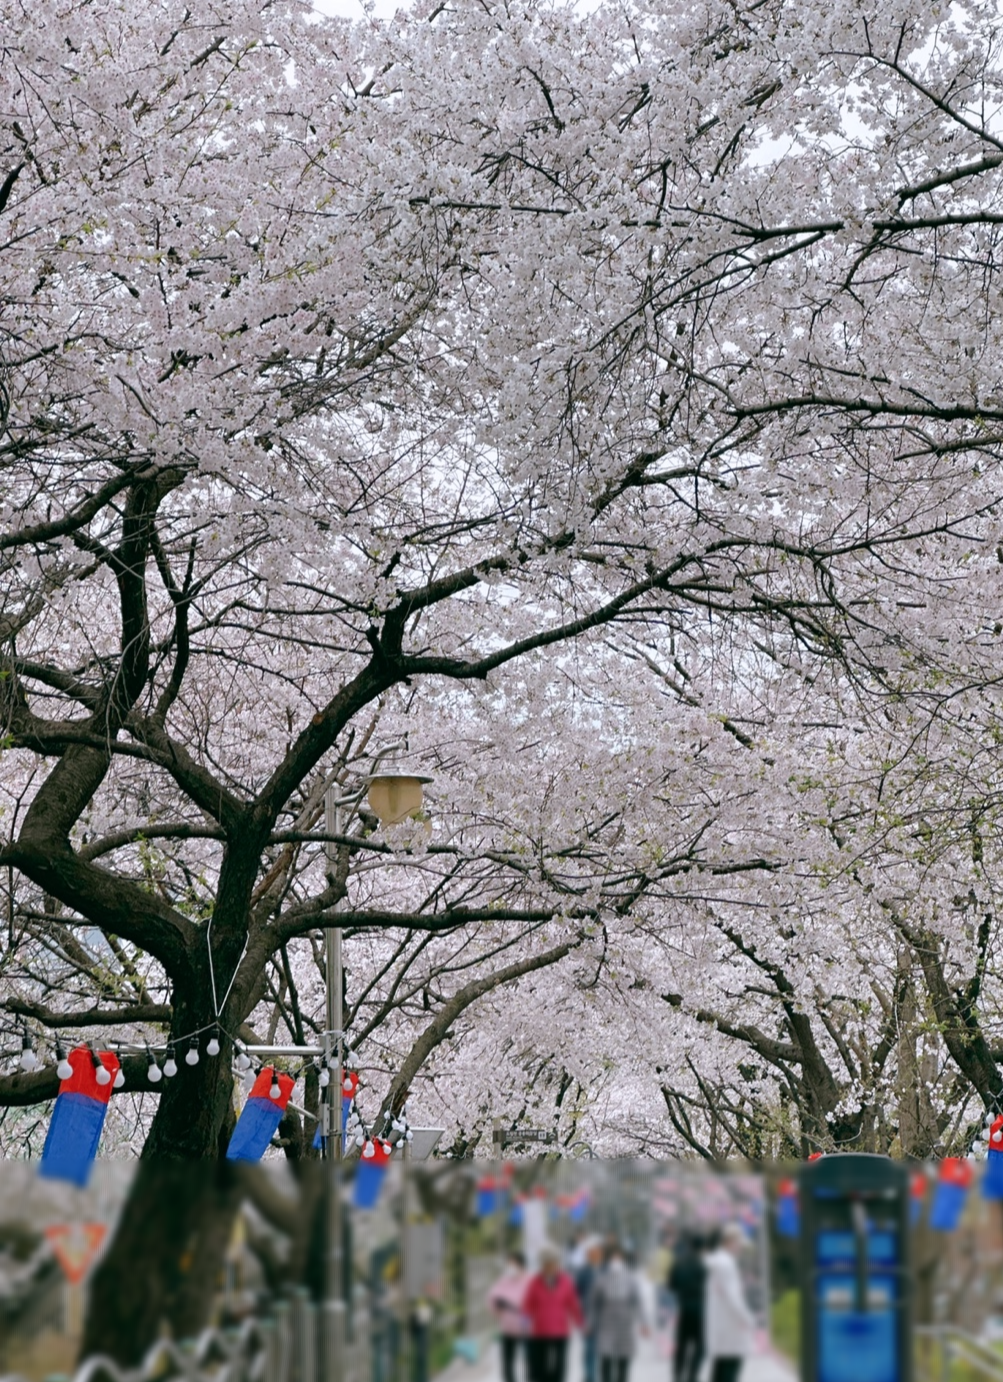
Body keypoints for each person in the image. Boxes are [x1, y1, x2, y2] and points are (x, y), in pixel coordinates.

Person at [523, 1245, 584, 1382]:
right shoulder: (534, 1282)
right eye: (547, 1264)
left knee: (559, 1367)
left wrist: (580, 1323)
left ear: (558, 1264)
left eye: (554, 1263)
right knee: (541, 1368)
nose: (551, 1268)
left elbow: (573, 1304)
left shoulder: (567, 1281)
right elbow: (527, 1305)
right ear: (542, 1265)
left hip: (560, 1330)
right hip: (540, 1331)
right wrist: (525, 1325)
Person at [588, 1242, 647, 1382]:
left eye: (619, 1258)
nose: (616, 1261)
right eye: (613, 1258)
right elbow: (593, 1304)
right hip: (606, 1324)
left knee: (623, 1361)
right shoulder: (601, 1279)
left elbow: (638, 1302)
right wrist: (590, 1322)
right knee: (606, 1359)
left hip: (625, 1325)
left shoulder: (631, 1279)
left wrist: (644, 1323)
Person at [704, 1224, 755, 1382]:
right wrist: (748, 1319)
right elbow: (734, 1299)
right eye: (739, 1243)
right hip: (731, 1328)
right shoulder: (727, 1264)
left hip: (719, 1327)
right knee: (729, 1371)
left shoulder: (713, 1261)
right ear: (729, 1241)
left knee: (719, 1370)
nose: (741, 1247)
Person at [489, 1251, 532, 1382]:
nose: (509, 1267)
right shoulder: (503, 1280)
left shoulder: (530, 1280)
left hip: (526, 1324)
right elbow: (492, 1297)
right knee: (507, 1363)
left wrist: (513, 1304)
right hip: (507, 1326)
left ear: (521, 1265)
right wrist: (497, 1306)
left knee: (530, 1361)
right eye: (508, 1264)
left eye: (512, 1264)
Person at [668, 1233, 705, 1382]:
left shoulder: (679, 1262)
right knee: (700, 1345)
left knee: (681, 1344)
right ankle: (692, 1374)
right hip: (701, 1309)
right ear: (702, 1247)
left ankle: (677, 1375)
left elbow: (671, 1285)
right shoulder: (704, 1265)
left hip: (683, 1307)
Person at [574, 1238, 605, 1382]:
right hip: (588, 1317)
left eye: (597, 1251)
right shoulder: (582, 1272)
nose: (594, 1254)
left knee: (606, 1351)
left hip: (607, 1317)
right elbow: (575, 1295)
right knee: (590, 1349)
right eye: (590, 1252)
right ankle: (589, 1377)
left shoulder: (607, 1270)